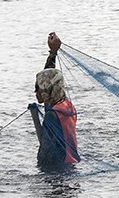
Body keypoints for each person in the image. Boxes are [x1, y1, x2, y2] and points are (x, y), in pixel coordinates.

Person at [29, 33, 80, 169]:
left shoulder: (53, 115)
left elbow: (46, 152)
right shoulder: (66, 106)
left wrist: (41, 169)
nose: (36, 92)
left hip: (57, 169)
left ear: (47, 89)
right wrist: (53, 52)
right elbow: (50, 76)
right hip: (71, 164)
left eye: (38, 87)